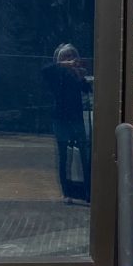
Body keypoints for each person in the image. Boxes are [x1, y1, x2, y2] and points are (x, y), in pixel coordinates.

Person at [41, 43, 91, 203]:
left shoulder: (75, 74)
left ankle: (88, 191)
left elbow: (87, 90)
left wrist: (79, 76)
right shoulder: (55, 73)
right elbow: (45, 70)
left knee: (84, 154)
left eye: (72, 56)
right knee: (63, 155)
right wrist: (64, 65)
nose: (70, 59)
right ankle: (66, 192)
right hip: (60, 118)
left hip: (76, 118)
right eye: (66, 56)